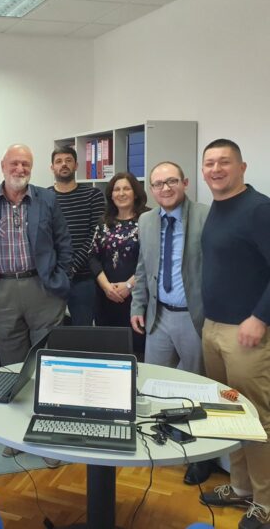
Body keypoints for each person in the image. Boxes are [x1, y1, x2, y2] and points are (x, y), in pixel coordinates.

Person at [198, 139, 270, 529]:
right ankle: (241, 487)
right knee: (230, 413)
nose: (216, 169)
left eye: (224, 162)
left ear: (242, 167)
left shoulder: (258, 209)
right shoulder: (218, 207)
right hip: (213, 329)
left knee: (257, 419)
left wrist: (260, 317)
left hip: (247, 335)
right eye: (209, 163)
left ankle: (266, 502)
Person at [130, 161, 211, 486]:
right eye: (158, 184)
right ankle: (164, 441)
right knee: (156, 385)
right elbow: (142, 266)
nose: (165, 188)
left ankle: (200, 457)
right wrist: (138, 305)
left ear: (185, 183)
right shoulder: (146, 220)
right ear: (151, 189)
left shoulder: (205, 216)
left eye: (171, 181)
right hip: (158, 316)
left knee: (196, 390)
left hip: (193, 317)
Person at [0, 143, 73, 365]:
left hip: (43, 289)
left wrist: (62, 279)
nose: (20, 169)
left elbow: (64, 243)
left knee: (47, 362)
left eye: (25, 164)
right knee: (13, 365)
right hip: (2, 292)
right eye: (14, 163)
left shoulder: (47, 199)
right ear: (3, 166)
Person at [89, 172, 148, 352]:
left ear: (135, 193)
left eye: (126, 189)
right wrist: (107, 287)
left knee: (137, 350)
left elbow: (153, 259)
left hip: (137, 298)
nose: (121, 193)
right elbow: (93, 256)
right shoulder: (104, 222)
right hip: (106, 298)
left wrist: (129, 285)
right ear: (111, 194)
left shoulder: (148, 220)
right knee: (108, 350)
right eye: (116, 189)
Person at [50, 145, 105, 325]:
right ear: (52, 167)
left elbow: (94, 236)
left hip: (84, 278)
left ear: (76, 165)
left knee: (83, 332)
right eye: (58, 161)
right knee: (52, 332)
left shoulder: (93, 195)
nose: (63, 164)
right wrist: (60, 270)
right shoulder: (44, 197)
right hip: (53, 278)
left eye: (68, 160)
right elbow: (44, 238)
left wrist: (71, 268)